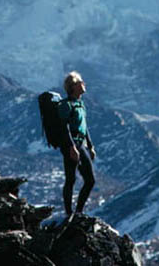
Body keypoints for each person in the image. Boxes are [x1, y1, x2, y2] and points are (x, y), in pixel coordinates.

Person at [58, 71, 96, 217]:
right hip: (71, 145)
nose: (84, 84)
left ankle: (78, 211)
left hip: (81, 144)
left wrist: (91, 146)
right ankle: (69, 213)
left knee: (90, 180)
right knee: (71, 179)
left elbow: (84, 127)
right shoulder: (66, 105)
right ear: (73, 86)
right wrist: (71, 147)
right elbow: (63, 127)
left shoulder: (80, 105)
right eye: (81, 82)